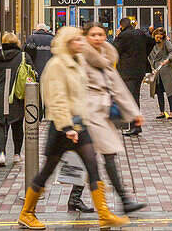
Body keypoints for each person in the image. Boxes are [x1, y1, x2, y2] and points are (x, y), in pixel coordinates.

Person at [18, 26, 127, 230]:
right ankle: (26, 213)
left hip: (79, 125)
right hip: (62, 128)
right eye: (77, 40)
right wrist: (67, 126)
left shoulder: (77, 62)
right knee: (47, 171)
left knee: (93, 167)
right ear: (67, 43)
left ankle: (104, 214)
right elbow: (56, 98)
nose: (81, 42)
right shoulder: (57, 65)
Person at [67, 22, 144, 215]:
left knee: (95, 158)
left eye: (100, 34)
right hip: (87, 113)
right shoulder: (80, 57)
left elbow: (117, 86)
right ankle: (122, 201)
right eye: (92, 34)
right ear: (85, 36)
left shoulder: (106, 56)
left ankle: (76, 199)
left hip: (102, 112)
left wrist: (134, 113)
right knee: (104, 156)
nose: (97, 38)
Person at [0, 33, 25, 167]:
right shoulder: (22, 56)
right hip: (16, 96)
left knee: (1, 125)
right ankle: (16, 154)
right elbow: (31, 73)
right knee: (17, 125)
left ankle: (2, 154)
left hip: (0, 96)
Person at [114, 17, 150, 136]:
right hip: (139, 70)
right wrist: (143, 54)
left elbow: (115, 50)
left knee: (130, 98)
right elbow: (152, 41)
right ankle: (135, 126)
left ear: (121, 26)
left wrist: (117, 36)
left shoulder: (123, 36)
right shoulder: (140, 33)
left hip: (127, 71)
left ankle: (134, 126)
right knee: (135, 96)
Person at [149, 27, 172, 119]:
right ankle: (162, 111)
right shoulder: (151, 42)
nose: (159, 39)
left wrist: (168, 60)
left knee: (170, 91)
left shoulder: (165, 41)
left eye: (160, 37)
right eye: (157, 37)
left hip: (165, 69)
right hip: (156, 70)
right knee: (159, 91)